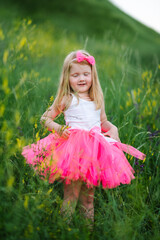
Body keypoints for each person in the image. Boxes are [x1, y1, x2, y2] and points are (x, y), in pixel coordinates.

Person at [22, 50, 146, 228]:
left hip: (94, 152)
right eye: (76, 75)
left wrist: (114, 129)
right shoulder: (67, 98)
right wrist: (58, 128)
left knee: (88, 200)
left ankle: (87, 232)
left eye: (86, 74)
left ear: (92, 76)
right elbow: (45, 119)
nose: (81, 78)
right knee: (70, 196)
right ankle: (65, 230)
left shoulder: (97, 98)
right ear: (67, 77)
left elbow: (103, 122)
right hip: (73, 151)